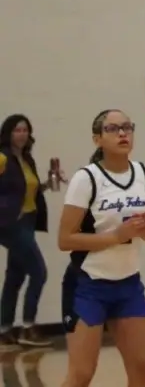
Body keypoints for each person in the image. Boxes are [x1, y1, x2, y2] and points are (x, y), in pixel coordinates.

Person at [58, 109, 145, 387]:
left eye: (127, 127)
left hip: (129, 286)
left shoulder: (143, 173)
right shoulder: (86, 179)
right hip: (88, 286)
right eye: (113, 129)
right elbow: (65, 239)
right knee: (81, 375)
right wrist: (116, 235)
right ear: (97, 139)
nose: (122, 133)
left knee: (143, 369)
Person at [0, 114, 60, 348]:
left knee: (15, 277)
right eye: (17, 130)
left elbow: (27, 191)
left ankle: (4, 330)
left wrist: (47, 184)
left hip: (27, 221)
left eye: (25, 130)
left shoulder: (25, 159)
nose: (22, 134)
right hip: (11, 224)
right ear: (8, 133)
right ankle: (28, 327)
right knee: (39, 272)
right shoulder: (2, 158)